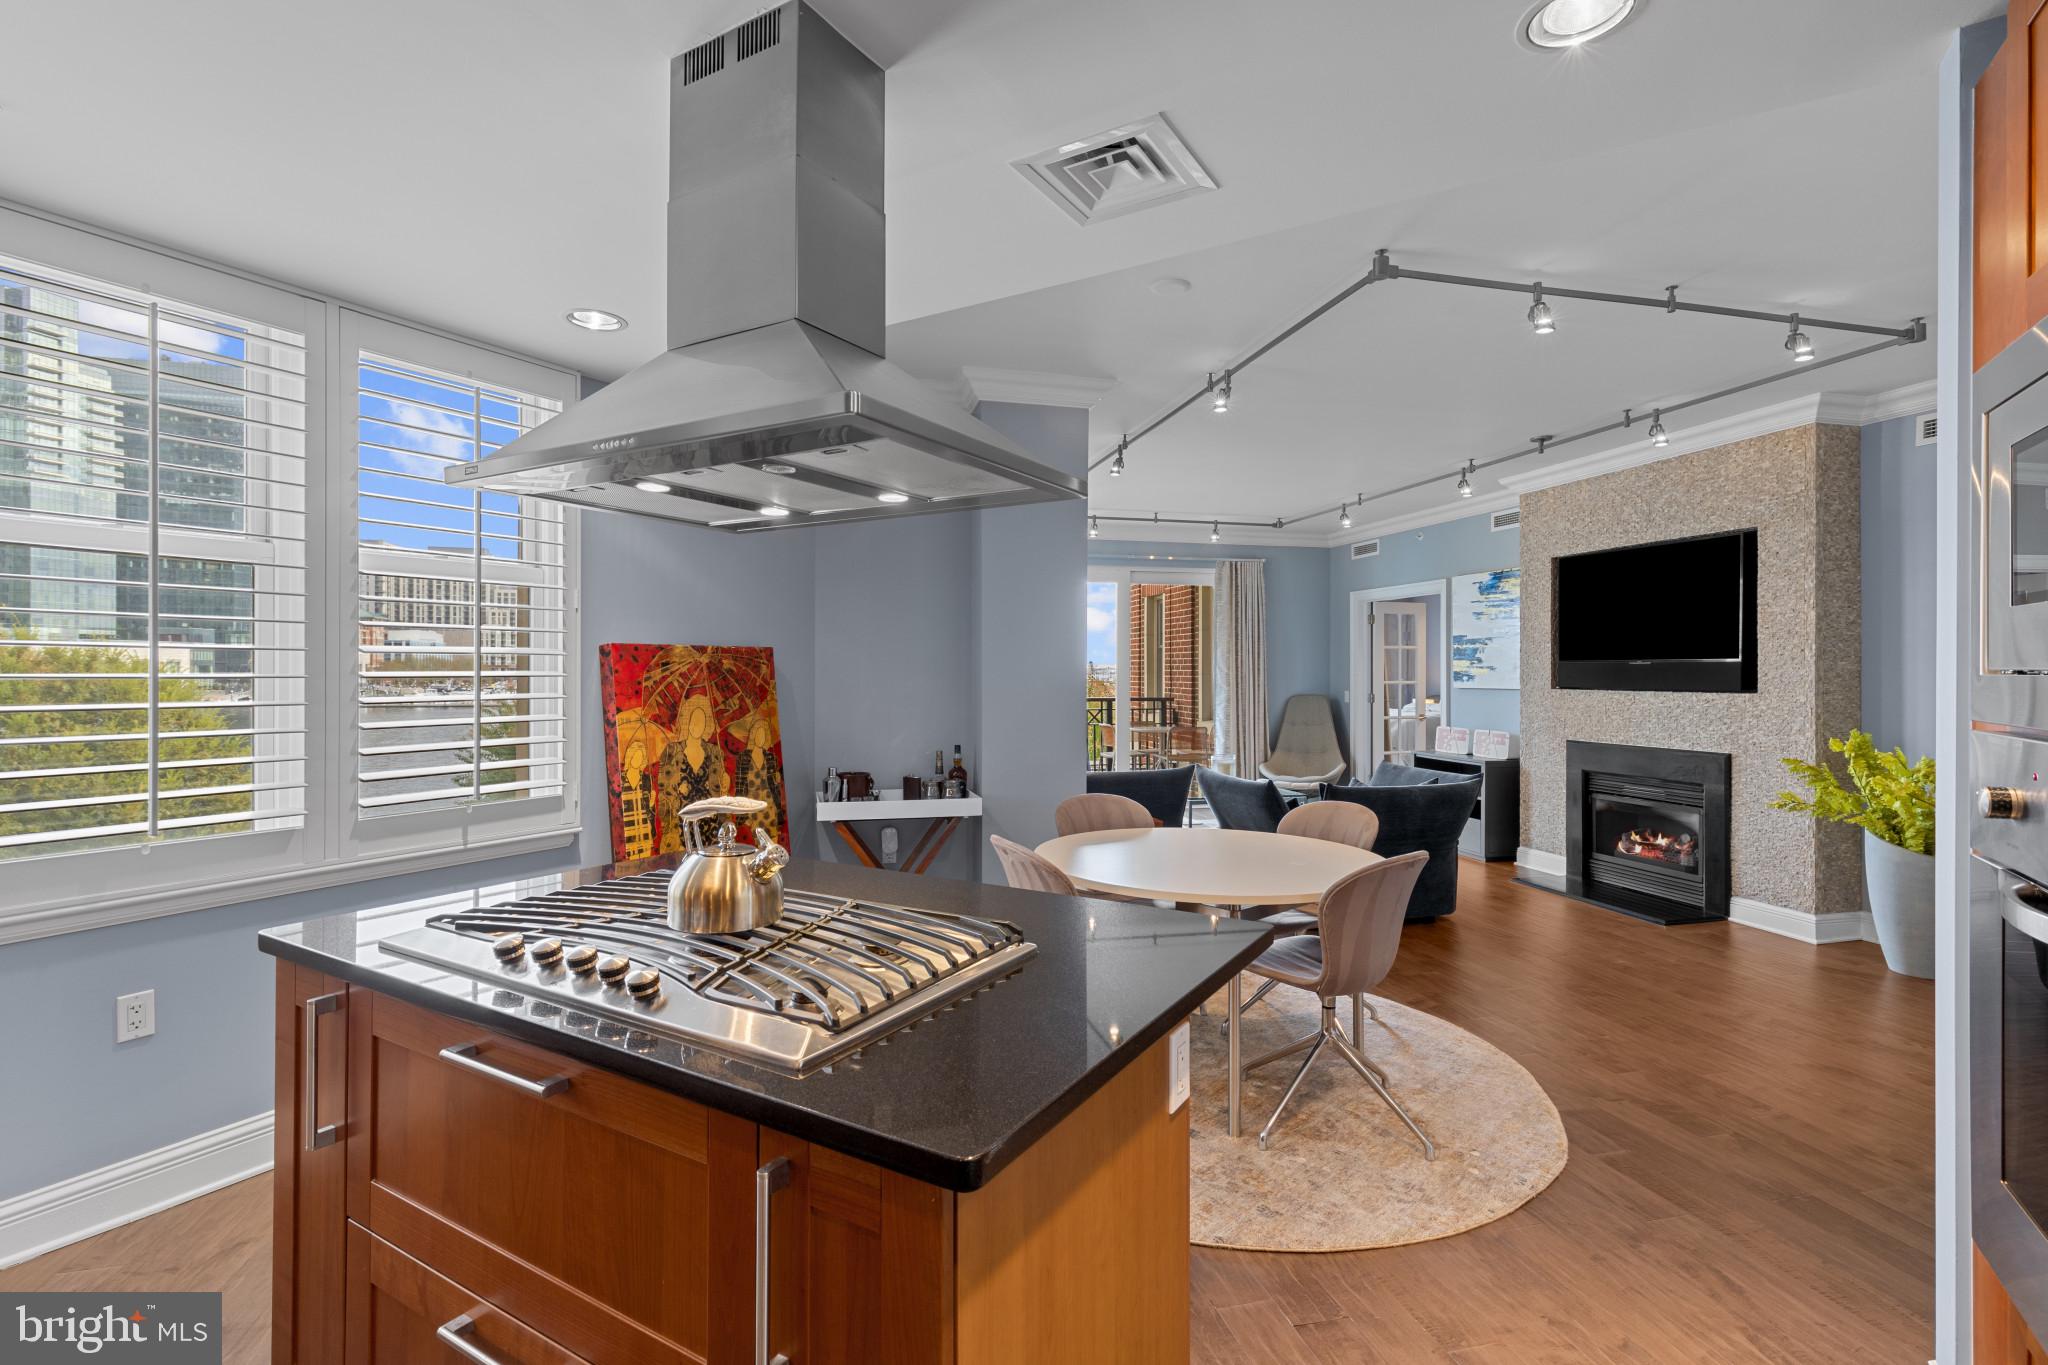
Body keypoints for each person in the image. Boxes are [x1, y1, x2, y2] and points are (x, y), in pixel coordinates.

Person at [657, 694, 727, 852]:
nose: (698, 725)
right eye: (694, 721)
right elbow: (664, 791)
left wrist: (723, 780)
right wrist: (677, 789)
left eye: (702, 721)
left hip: (710, 821)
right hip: (684, 822)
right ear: (686, 721)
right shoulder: (672, 751)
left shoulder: (714, 752)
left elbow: (720, 792)